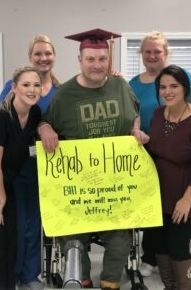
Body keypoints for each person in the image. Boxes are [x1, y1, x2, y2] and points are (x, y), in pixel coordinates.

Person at [38, 28, 149, 290]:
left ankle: (110, 282)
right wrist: (45, 128)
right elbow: (45, 120)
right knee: (70, 231)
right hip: (78, 182)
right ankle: (81, 279)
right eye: (90, 59)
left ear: (108, 60)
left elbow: (134, 114)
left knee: (120, 232)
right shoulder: (64, 94)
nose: (97, 65)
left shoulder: (120, 85)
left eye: (102, 59)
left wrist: (135, 130)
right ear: (80, 60)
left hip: (116, 180)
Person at [129, 30, 191, 277]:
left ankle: (176, 270)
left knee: (176, 234)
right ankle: (152, 260)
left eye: (157, 51)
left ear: (165, 53)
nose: (152, 55)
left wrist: (188, 132)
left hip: (183, 155)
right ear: (141, 54)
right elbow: (131, 114)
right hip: (150, 150)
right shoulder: (136, 88)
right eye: (147, 51)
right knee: (154, 218)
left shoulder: (179, 79)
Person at [0, 34, 59, 290]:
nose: (43, 58)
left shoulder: (60, 90)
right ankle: (14, 272)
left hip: (49, 168)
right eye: (38, 54)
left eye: (47, 53)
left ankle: (31, 274)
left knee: (37, 223)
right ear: (30, 57)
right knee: (18, 222)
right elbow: (2, 124)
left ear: (54, 57)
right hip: (17, 167)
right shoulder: (14, 86)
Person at [0, 66, 42, 290]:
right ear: (14, 88)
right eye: (26, 85)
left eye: (36, 85)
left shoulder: (33, 113)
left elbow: (40, 128)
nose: (32, 90)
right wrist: (1, 199)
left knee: (10, 241)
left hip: (6, 184)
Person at [147, 64, 191, 289]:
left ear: (185, 88)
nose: (167, 91)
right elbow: (153, 149)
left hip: (187, 198)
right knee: (159, 245)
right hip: (158, 195)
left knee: (178, 247)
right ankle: (169, 286)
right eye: (162, 87)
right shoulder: (158, 114)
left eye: (174, 86)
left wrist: (186, 200)